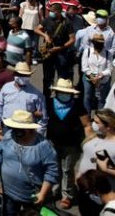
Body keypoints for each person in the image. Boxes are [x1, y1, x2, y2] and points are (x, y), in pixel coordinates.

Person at [0, 110, 59, 216]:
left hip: (32, 197)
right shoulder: (9, 136)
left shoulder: (43, 146)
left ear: (30, 129)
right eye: (15, 127)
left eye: (20, 128)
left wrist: (43, 194)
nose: (16, 130)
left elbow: (52, 172)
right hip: (9, 193)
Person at [46, 78, 89, 210]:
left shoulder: (77, 105)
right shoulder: (49, 102)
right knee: (54, 168)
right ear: (56, 92)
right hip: (53, 142)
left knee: (67, 170)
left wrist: (89, 143)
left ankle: (67, 195)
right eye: (61, 92)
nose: (64, 94)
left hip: (71, 145)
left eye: (66, 92)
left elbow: (86, 124)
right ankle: (55, 190)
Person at [0, 62, 47, 135]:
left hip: (26, 131)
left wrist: (37, 135)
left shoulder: (37, 94)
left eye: (26, 75)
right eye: (20, 74)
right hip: (7, 129)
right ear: (14, 74)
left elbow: (43, 118)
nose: (23, 77)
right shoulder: (6, 88)